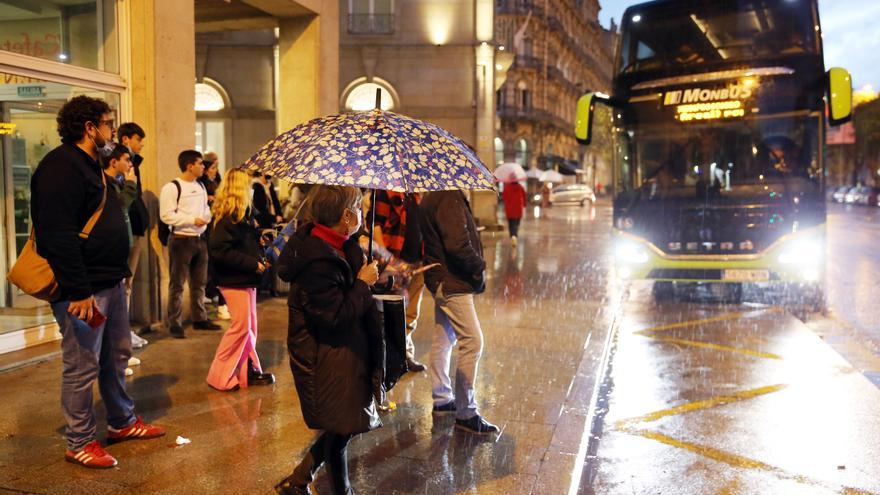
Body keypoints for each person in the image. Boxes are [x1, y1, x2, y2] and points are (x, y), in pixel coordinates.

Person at [31, 95, 165, 469]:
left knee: (116, 356)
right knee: (82, 365)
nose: (113, 129)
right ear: (89, 128)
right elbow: (57, 236)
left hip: (109, 282)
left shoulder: (91, 164)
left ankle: (122, 422)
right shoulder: (60, 168)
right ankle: (79, 441)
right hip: (83, 290)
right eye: (109, 123)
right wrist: (78, 292)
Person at [275, 185, 381, 495]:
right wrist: (362, 285)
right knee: (343, 423)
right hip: (325, 353)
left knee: (343, 423)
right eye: (359, 209)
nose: (363, 215)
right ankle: (324, 485)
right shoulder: (318, 261)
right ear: (346, 216)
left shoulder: (339, 246)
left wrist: (368, 276)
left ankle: (302, 477)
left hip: (344, 350)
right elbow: (333, 318)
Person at [419, 190, 498, 435]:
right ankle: (466, 412)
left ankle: (442, 397)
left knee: (444, 338)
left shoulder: (433, 195)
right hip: (452, 281)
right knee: (473, 342)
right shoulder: (448, 197)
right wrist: (479, 266)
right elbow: (457, 244)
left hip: (440, 278)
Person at [206, 169, 275, 391]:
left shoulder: (241, 216)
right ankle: (219, 375)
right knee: (241, 326)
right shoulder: (228, 218)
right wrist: (252, 264)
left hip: (244, 279)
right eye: (248, 186)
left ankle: (249, 370)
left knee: (249, 326)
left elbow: (240, 244)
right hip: (233, 278)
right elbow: (220, 251)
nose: (252, 190)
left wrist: (259, 240)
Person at [159, 150, 221, 338]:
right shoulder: (172, 187)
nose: (203, 167)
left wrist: (205, 218)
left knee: (199, 283)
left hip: (200, 239)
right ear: (189, 165)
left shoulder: (201, 186)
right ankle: (175, 323)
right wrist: (192, 220)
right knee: (177, 284)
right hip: (181, 239)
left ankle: (199, 318)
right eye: (200, 163)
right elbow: (166, 215)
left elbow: (206, 210)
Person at [370, 190, 427, 372]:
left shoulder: (417, 193)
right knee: (393, 312)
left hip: (418, 260)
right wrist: (386, 257)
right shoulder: (385, 191)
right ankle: (391, 356)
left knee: (411, 312)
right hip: (395, 260)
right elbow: (376, 224)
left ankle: (405, 354)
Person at [101, 145, 142, 375]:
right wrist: (131, 184)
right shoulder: (106, 183)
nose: (130, 164)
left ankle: (120, 356)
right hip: (111, 251)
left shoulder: (116, 181)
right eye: (126, 159)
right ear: (113, 161)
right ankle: (115, 360)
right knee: (111, 306)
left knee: (120, 301)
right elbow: (120, 206)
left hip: (122, 245)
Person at [117, 122, 150, 347]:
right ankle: (121, 333)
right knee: (122, 284)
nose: (142, 145)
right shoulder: (117, 167)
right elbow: (123, 202)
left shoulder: (132, 166)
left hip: (135, 229)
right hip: (124, 231)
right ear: (126, 139)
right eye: (139, 140)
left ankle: (125, 330)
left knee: (127, 284)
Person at [199, 151, 230, 320]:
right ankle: (212, 294)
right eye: (213, 166)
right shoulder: (202, 184)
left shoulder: (217, 181)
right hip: (207, 226)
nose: (214, 170)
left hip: (216, 222)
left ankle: (217, 296)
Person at [501, 181, 527, 246]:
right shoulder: (520, 187)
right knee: (516, 224)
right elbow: (524, 197)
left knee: (511, 224)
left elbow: (504, 198)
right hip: (518, 209)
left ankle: (512, 236)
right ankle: (515, 235)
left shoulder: (507, 188)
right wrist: (524, 205)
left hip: (510, 209)